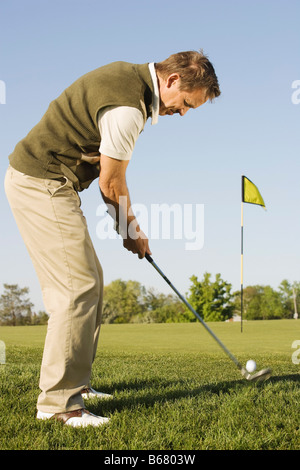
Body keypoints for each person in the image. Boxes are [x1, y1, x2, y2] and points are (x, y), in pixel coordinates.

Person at [5, 50, 220, 427]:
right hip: (41, 182)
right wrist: (132, 232)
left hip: (52, 182)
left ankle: (79, 385)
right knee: (77, 288)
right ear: (172, 81)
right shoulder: (127, 107)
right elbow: (111, 183)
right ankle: (58, 404)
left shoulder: (128, 81)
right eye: (186, 104)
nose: (183, 113)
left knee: (92, 283)